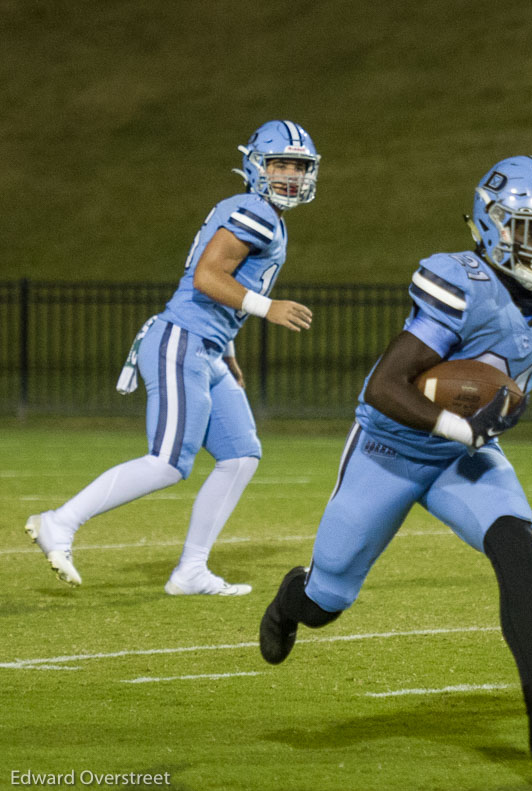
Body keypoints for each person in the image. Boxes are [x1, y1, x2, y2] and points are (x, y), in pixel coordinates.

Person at [256, 155, 532, 768]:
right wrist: (458, 425)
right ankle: (291, 599)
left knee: (517, 548)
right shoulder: (461, 283)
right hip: (391, 449)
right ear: (493, 226)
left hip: (465, 454)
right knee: (326, 600)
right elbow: (385, 386)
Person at [25, 120, 320, 596]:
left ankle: (191, 571)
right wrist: (268, 308)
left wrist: (228, 346)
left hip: (205, 346)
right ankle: (59, 522)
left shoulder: (256, 212)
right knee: (167, 462)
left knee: (241, 455)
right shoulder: (254, 210)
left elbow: (215, 285)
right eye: (280, 164)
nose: (290, 175)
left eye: (299, 166)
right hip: (181, 341)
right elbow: (206, 276)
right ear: (255, 166)